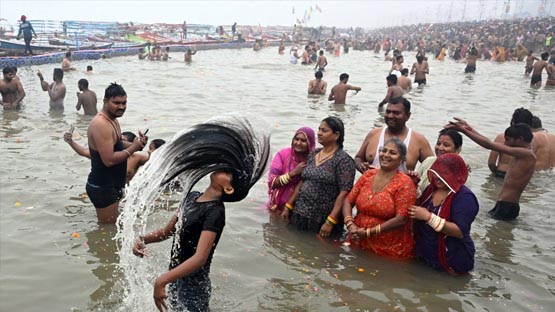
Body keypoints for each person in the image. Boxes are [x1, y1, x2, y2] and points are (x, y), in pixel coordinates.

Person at [131, 116, 269, 312]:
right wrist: (142, 239)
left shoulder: (215, 212)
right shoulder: (193, 196)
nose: (223, 168)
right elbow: (168, 231)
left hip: (194, 288)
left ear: (228, 189)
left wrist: (162, 280)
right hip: (176, 277)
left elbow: (200, 258)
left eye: (228, 172)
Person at [447, 118, 535, 221]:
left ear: (520, 139)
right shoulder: (521, 152)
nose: (505, 143)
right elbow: (488, 142)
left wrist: (464, 131)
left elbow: (488, 145)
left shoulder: (527, 154)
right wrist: (469, 128)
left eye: (508, 139)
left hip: (508, 206)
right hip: (504, 204)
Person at [342, 138, 417, 260]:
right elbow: (348, 201)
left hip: (388, 248)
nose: (386, 155)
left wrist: (368, 232)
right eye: (383, 150)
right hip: (357, 238)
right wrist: (350, 225)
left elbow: (402, 219)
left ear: (401, 159)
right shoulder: (368, 175)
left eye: (392, 153)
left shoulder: (405, 183)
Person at [281, 117, 356, 238]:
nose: (319, 133)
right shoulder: (314, 154)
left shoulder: (344, 161)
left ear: (336, 135)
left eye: (324, 130)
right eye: (319, 129)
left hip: (322, 219)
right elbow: (303, 181)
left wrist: (330, 221)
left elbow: (345, 193)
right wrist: (288, 206)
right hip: (300, 213)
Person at [86, 83, 147, 223]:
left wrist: (137, 144)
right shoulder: (101, 124)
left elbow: (118, 144)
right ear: (105, 101)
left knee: (113, 228)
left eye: (124, 103)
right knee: (107, 231)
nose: (121, 107)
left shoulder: (112, 120)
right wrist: (133, 148)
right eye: (116, 103)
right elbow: (109, 160)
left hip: (112, 185)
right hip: (102, 187)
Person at [409, 153, 479, 274]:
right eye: (436, 173)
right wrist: (412, 185)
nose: (437, 178)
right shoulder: (431, 189)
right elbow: (418, 210)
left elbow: (459, 232)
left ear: (456, 175)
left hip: (452, 259)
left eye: (444, 174)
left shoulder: (465, 197)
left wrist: (429, 217)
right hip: (425, 254)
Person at [355, 98, 433, 173]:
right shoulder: (373, 134)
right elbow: (358, 158)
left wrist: (416, 178)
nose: (390, 116)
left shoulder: (419, 140)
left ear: (408, 116)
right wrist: (362, 167)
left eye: (396, 113)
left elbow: (433, 168)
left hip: (403, 186)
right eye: (388, 112)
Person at [267, 127, 315, 212]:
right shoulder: (282, 155)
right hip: (278, 207)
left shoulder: (314, 159)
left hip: (301, 209)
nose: (298, 143)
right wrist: (293, 173)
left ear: (310, 143)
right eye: (296, 139)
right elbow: (272, 182)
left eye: (303, 141)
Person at [488, 108, 551, 173]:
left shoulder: (501, 137)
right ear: (530, 124)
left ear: (513, 121)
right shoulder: (531, 140)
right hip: (519, 176)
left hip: (501, 172)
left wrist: (495, 173)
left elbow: (491, 163)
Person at [416, 129, 463, 195]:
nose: (440, 148)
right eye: (438, 144)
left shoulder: (461, 173)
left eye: (446, 145)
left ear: (457, 150)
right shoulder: (428, 161)